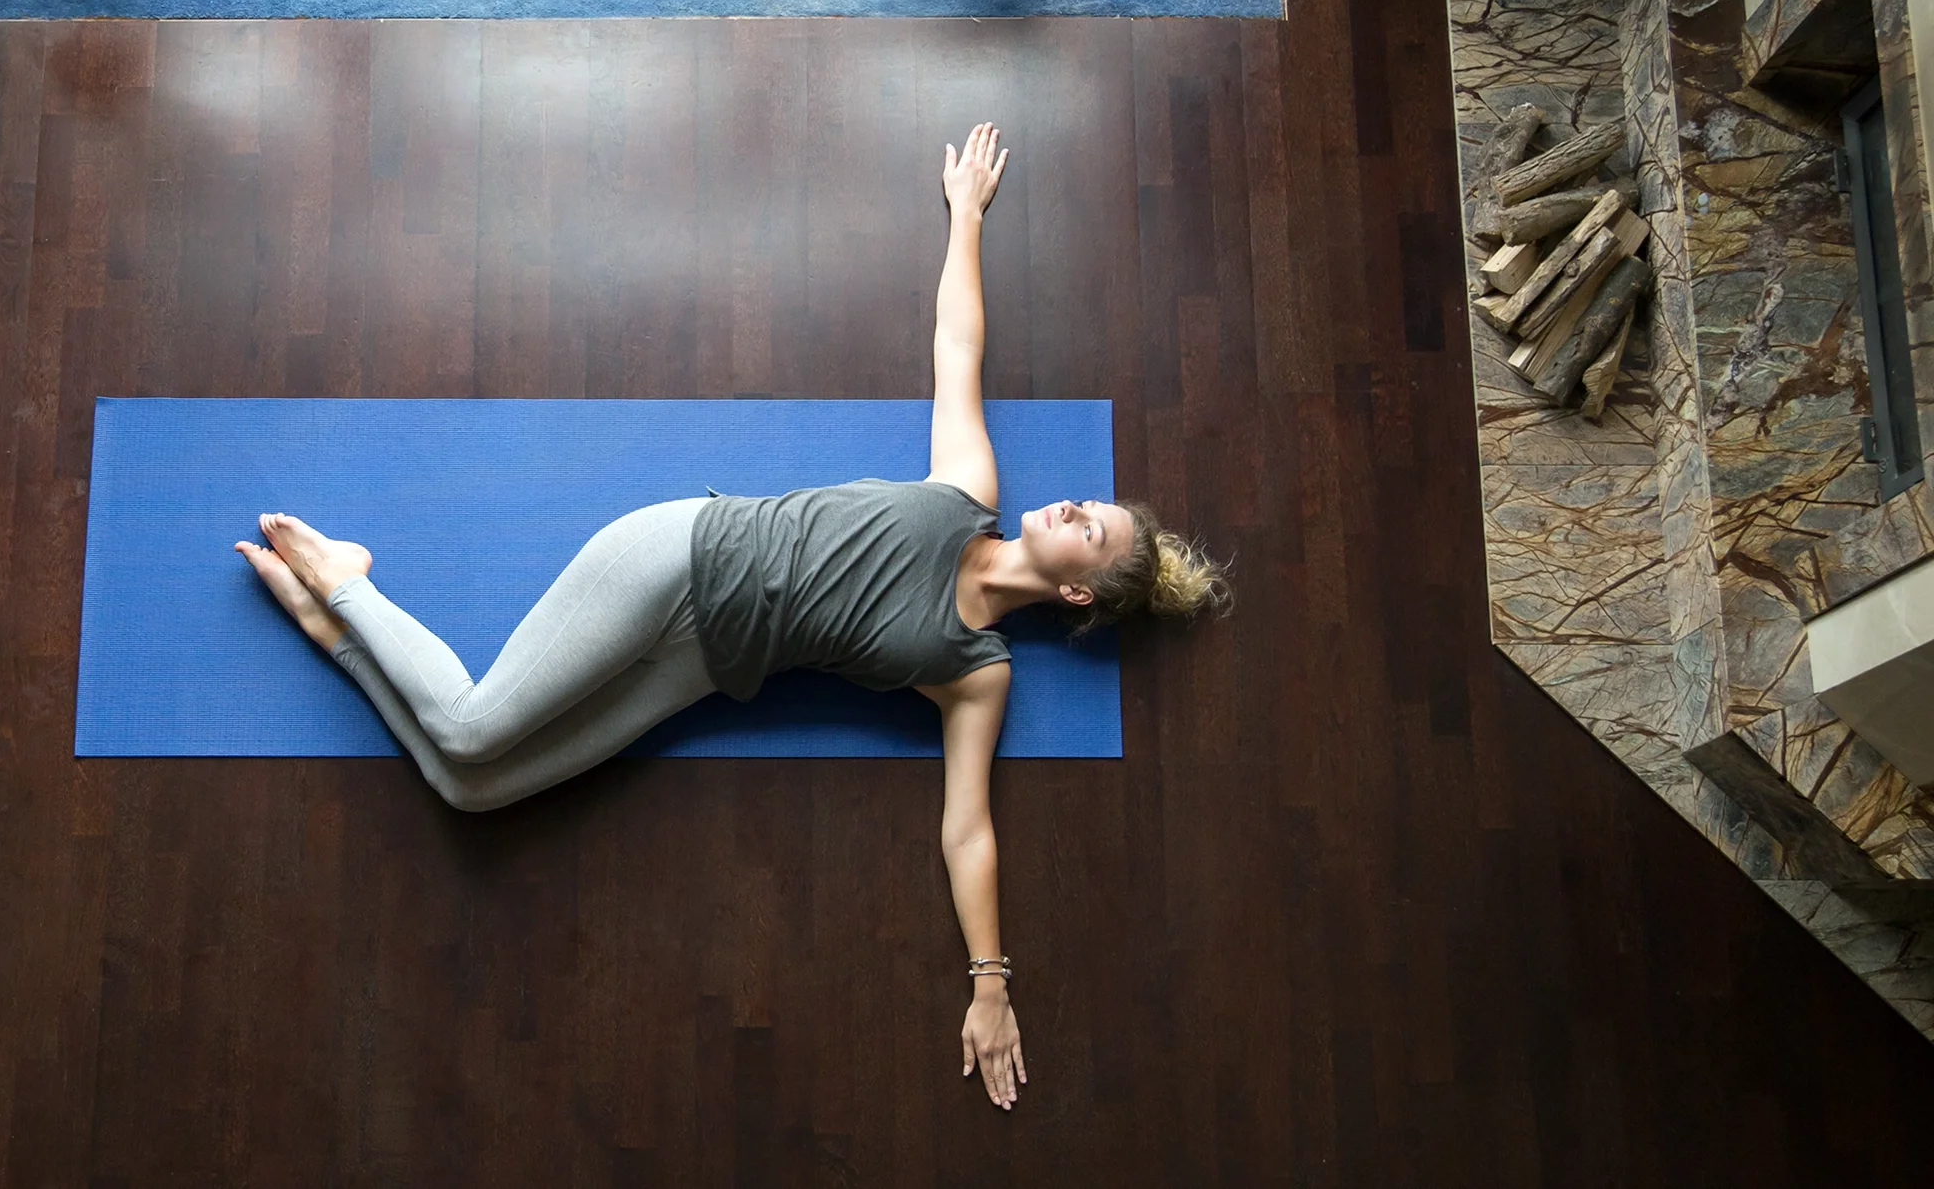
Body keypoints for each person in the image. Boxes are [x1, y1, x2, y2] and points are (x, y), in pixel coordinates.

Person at [236, 123, 1229, 1113]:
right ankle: (347, 583)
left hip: (703, 670)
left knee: (471, 792)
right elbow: (956, 343)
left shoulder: (977, 669)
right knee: (469, 727)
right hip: (680, 558)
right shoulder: (966, 488)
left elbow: (968, 829)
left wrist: (991, 984)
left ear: (1076, 593)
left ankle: (341, 643)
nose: (1068, 508)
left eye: (1086, 532)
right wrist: (965, 215)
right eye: (1086, 505)